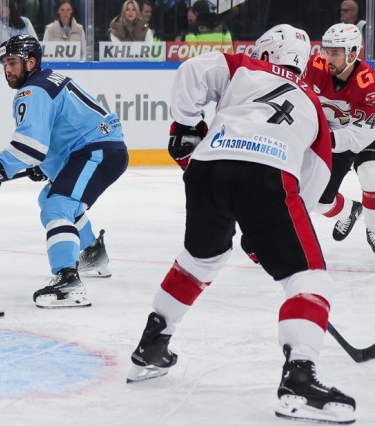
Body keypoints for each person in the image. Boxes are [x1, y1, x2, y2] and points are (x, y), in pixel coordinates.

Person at [126, 24, 356, 424]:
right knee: (309, 278)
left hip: (207, 170)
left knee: (201, 259)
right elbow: (315, 189)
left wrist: (185, 126)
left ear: (266, 53)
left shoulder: (242, 65)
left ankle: (152, 345)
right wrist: (263, 229)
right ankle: (299, 377)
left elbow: (192, 72)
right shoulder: (313, 105)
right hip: (268, 177)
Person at [0, 35, 128, 309]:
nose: (7, 69)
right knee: (51, 198)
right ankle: (92, 255)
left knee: (58, 206)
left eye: (13, 62)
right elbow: (62, 129)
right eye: (4, 63)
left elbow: (30, 144)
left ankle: (68, 282)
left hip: (96, 151)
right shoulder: (48, 79)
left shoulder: (33, 91)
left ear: (31, 62)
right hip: (100, 148)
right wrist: (43, 166)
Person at [303, 23, 375, 251]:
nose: (328, 57)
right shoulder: (313, 66)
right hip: (330, 135)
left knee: (371, 173)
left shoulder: (369, 83)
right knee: (318, 201)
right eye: (326, 50)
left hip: (364, 134)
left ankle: (373, 228)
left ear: (353, 53)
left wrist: (322, 140)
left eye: (335, 52)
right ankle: (349, 211)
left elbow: (358, 137)